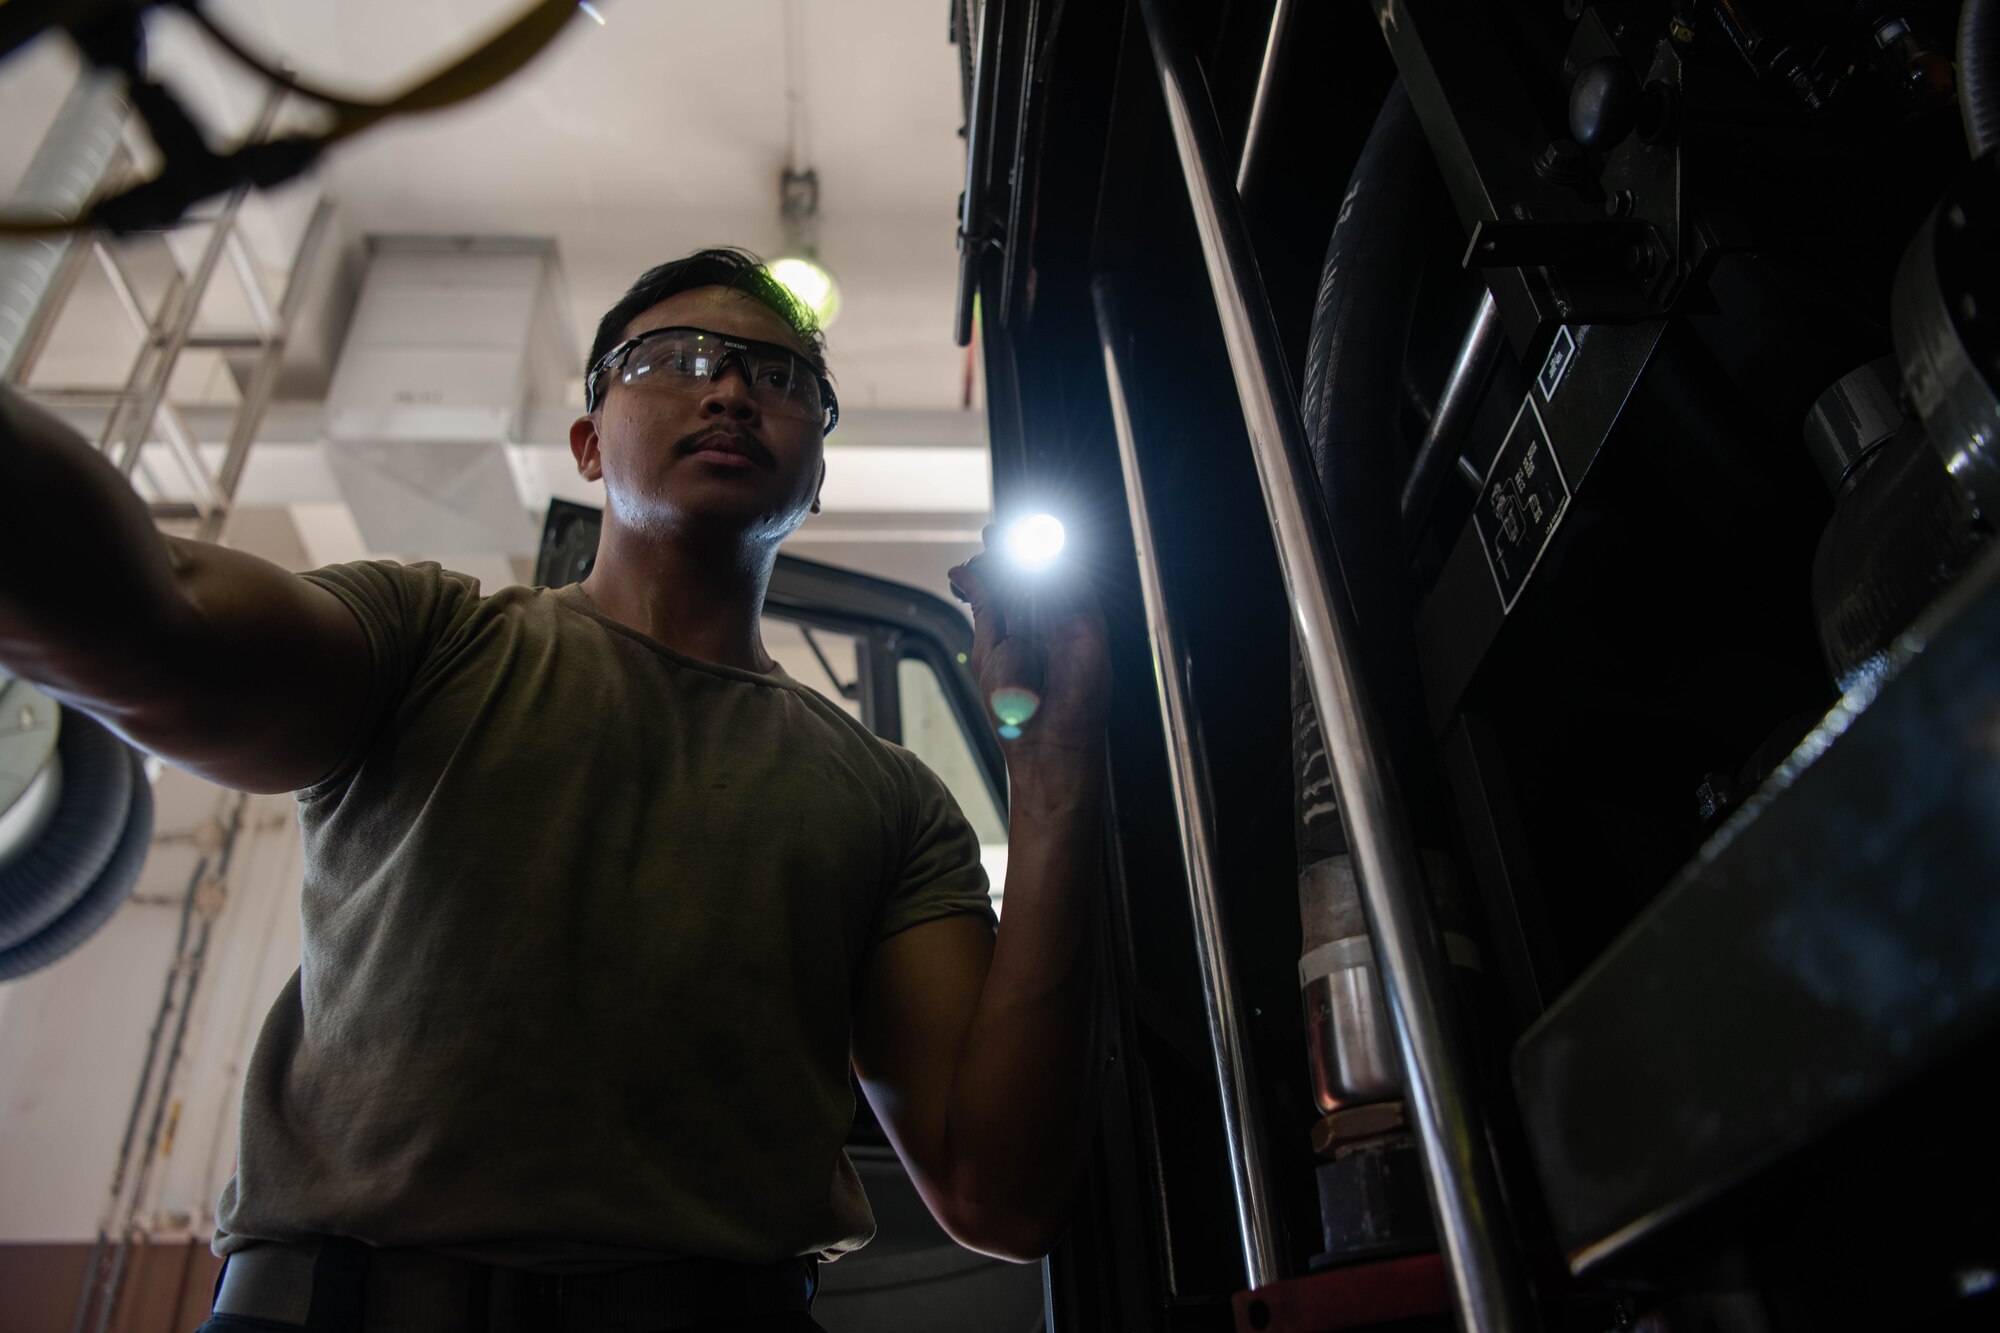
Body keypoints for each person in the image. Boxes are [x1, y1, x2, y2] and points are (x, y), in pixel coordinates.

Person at [0, 247, 1111, 1332]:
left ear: (814, 473)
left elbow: (1000, 1197)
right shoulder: (430, 641)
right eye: (675, 359)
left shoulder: (891, 802)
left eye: (777, 377)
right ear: (587, 443)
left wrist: (1052, 776)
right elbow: (156, 619)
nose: (727, 387)